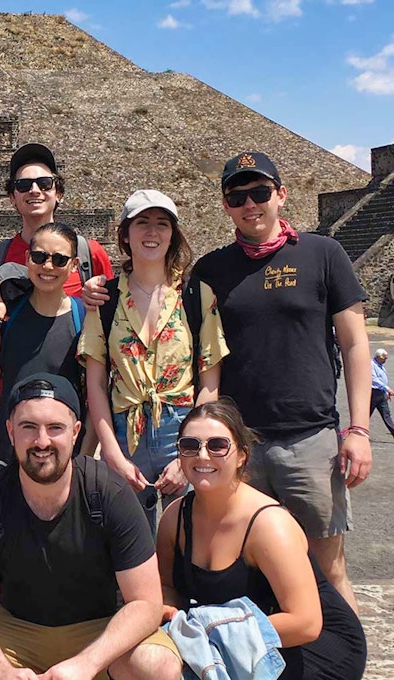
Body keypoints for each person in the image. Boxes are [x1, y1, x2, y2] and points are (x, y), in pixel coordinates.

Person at [185, 152, 371, 614]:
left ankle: (341, 664)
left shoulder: (322, 253)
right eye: (237, 196)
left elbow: (354, 344)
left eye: (260, 192)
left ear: (281, 195)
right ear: (226, 205)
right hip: (238, 445)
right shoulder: (211, 271)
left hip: (310, 438)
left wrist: (360, 430)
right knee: (249, 567)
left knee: (327, 568)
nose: (250, 204)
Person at [0, 374, 181, 680]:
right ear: (10, 431)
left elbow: (146, 603)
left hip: (99, 627)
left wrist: (86, 664)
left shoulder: (108, 494)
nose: (42, 441)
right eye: (29, 427)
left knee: (158, 665)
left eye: (55, 428)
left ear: (76, 433)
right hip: (16, 629)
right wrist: (2, 673)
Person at [157, 400, 366, 680]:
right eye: (190, 445)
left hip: (312, 648)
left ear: (242, 455)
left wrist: (212, 631)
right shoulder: (175, 518)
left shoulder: (269, 525)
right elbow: (167, 585)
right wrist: (170, 613)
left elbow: (306, 622)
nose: (202, 456)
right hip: (235, 639)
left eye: (218, 445)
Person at [79, 190, 229, 535]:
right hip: (123, 432)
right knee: (131, 545)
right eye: (142, 224)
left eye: (162, 225)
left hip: (183, 429)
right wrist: (112, 454)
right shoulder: (104, 299)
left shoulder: (196, 294)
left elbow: (209, 383)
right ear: (125, 235)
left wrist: (190, 454)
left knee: (190, 539)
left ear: (173, 234)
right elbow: (96, 386)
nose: (152, 233)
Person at [0, 221, 91, 467]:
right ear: (27, 258)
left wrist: (83, 460)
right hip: (9, 448)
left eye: (59, 260)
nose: (48, 266)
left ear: (74, 265)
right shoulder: (10, 312)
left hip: (63, 455)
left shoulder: (84, 317)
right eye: (39, 257)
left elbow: (95, 397)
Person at [0, 144, 113, 324]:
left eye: (45, 183)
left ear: (59, 194)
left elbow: (114, 314)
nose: (34, 190)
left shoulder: (89, 253)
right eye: (23, 185)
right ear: (12, 197)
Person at [371, 348, 394, 440]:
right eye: (383, 358)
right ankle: (356, 432)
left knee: (386, 415)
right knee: (365, 415)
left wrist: (385, 391)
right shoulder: (372, 365)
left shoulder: (380, 365)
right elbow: (374, 380)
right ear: (377, 357)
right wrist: (387, 388)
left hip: (381, 394)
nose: (384, 360)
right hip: (373, 393)